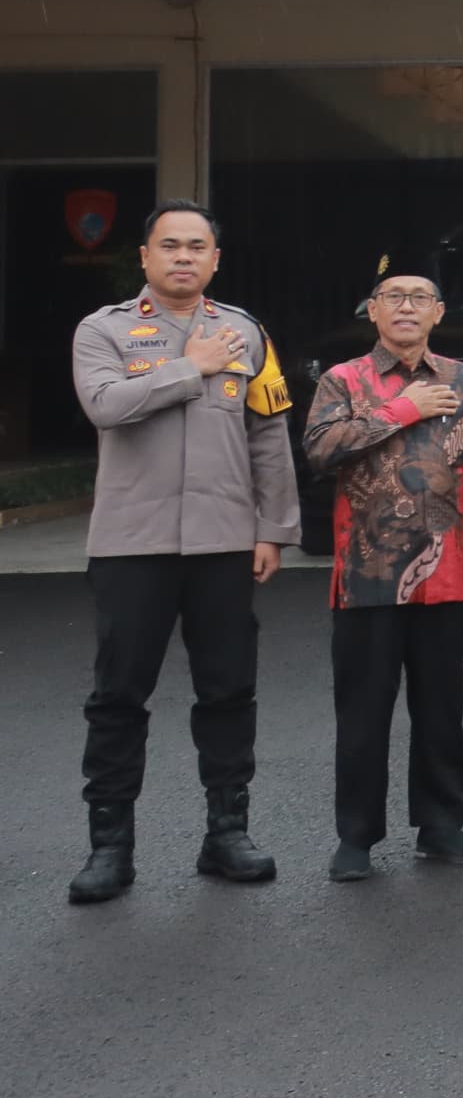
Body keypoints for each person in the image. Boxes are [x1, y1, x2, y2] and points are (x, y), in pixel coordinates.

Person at [69, 200, 295, 903]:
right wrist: (188, 367)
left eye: (197, 246)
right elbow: (106, 406)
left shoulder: (246, 333)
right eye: (169, 245)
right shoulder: (102, 330)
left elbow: (268, 434)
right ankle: (110, 848)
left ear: (215, 260)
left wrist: (273, 529)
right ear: (145, 256)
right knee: (118, 696)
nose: (183, 257)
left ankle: (227, 834)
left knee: (228, 690)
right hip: (131, 544)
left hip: (223, 541)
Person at [301, 250, 463, 879]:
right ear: (372, 310)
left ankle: (443, 827)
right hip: (367, 578)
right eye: (393, 296)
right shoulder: (344, 379)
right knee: (363, 713)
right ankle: (356, 839)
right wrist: (403, 409)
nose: (406, 307)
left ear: (439, 312)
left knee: (441, 709)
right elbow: (318, 450)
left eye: (420, 297)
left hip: (449, 573)